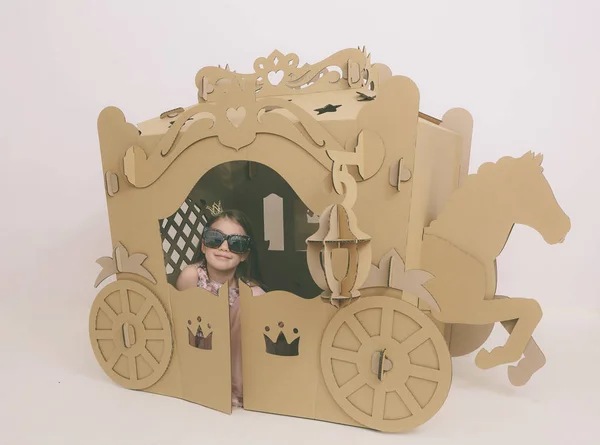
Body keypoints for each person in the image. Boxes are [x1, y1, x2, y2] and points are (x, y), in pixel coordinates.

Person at [176, 205, 266, 408]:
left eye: (236, 243)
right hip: (200, 348)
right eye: (215, 239)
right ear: (204, 246)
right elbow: (182, 323)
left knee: (253, 298)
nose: (224, 247)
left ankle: (239, 388)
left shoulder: (248, 290)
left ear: (244, 255)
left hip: (236, 358)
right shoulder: (192, 276)